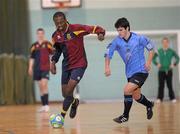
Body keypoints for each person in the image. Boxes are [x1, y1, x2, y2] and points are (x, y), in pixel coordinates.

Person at [50, 12, 105, 122]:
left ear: (65, 20)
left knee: (69, 90)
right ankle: (74, 102)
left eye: (61, 22)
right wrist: (53, 62)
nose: (59, 25)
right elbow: (58, 50)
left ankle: (61, 117)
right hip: (66, 66)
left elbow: (94, 28)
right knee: (65, 93)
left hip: (79, 64)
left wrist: (100, 33)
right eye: (57, 23)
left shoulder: (76, 28)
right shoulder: (55, 36)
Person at [104, 17, 154, 124]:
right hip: (130, 73)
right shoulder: (117, 41)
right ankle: (149, 105)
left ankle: (125, 116)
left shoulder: (139, 38)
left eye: (121, 29)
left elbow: (151, 49)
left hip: (141, 71)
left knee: (127, 90)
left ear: (127, 28)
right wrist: (107, 66)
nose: (119, 32)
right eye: (117, 30)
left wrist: (148, 62)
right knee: (136, 96)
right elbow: (108, 53)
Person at [28, 28, 53, 112]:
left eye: (41, 33)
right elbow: (32, 58)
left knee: (44, 84)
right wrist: (30, 67)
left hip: (45, 68)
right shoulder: (34, 46)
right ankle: (43, 105)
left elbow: (52, 55)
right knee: (40, 87)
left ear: (43, 34)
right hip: (36, 69)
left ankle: (46, 105)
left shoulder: (48, 44)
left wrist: (52, 65)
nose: (40, 35)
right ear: (37, 34)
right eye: (38, 33)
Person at [153, 37, 179, 103]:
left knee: (169, 85)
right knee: (161, 85)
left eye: (166, 42)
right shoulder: (159, 51)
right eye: (164, 42)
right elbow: (153, 59)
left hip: (169, 70)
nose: (165, 43)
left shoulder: (171, 51)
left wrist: (174, 64)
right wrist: (157, 64)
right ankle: (159, 98)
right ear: (162, 43)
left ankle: (172, 98)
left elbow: (178, 58)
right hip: (161, 71)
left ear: (168, 43)